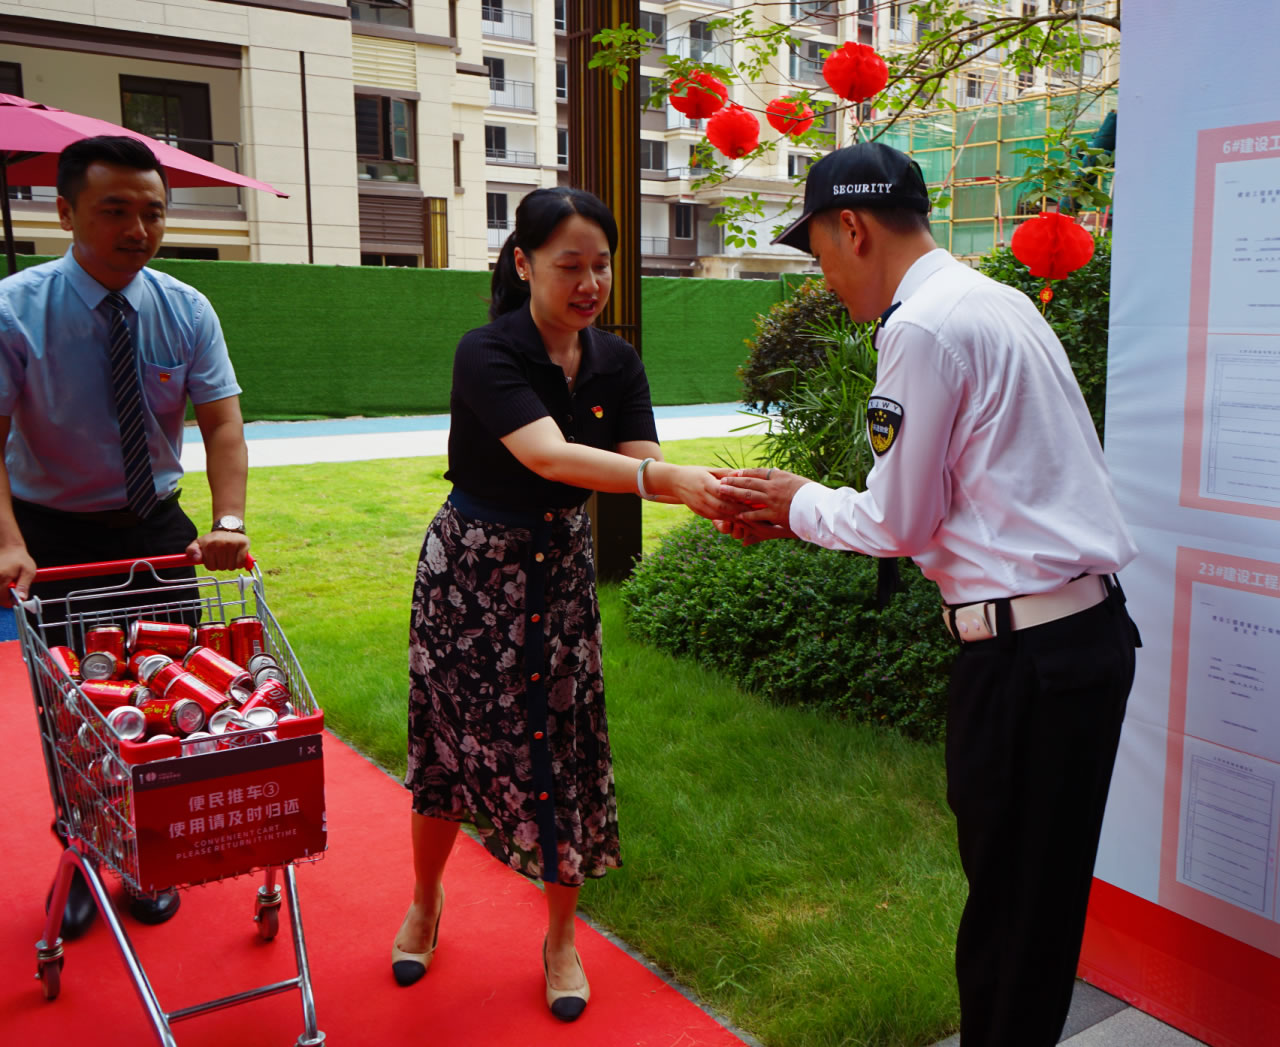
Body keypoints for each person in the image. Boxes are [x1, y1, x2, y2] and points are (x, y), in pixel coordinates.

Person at [717, 142, 1141, 1047]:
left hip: (1028, 661)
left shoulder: (921, 327)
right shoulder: (997, 301)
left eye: (820, 255)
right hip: (1084, 640)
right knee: (1038, 910)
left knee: (1010, 923)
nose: (826, 278)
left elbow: (901, 518)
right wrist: (811, 516)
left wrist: (798, 502)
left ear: (854, 228)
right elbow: (974, 497)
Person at [395, 187, 730, 1020]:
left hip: (562, 575)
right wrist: (666, 478)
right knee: (447, 750)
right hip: (473, 578)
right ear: (523, 263)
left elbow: (643, 459)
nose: (589, 284)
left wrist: (720, 497)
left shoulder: (616, 360)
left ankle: (560, 939)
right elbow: (549, 456)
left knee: (563, 752)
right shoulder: (488, 351)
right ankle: (426, 898)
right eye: (569, 265)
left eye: (602, 265)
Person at [0, 136, 251, 939]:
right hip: (54, 537)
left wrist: (228, 522)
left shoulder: (186, 309)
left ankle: (149, 852)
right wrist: (8, 542)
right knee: (73, 711)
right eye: (115, 210)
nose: (138, 229)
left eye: (153, 212)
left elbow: (222, 424)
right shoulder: (14, 309)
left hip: (156, 533)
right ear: (65, 211)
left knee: (169, 699)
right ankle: (82, 851)